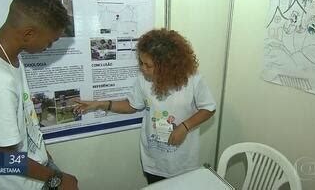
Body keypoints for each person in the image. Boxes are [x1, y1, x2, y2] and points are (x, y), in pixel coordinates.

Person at [0, 0, 78, 190]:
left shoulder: (6, 56)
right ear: (29, 34)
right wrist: (56, 179)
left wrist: (44, 157)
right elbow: (0, 159)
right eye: (50, 41)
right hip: (19, 184)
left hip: (35, 168)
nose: (49, 47)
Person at [74, 28, 216, 184]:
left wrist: (184, 127)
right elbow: (131, 105)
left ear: (167, 66)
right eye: (141, 63)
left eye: (148, 65)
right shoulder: (144, 80)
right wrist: (101, 104)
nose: (143, 68)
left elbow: (209, 108)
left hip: (183, 161)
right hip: (153, 161)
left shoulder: (193, 80)